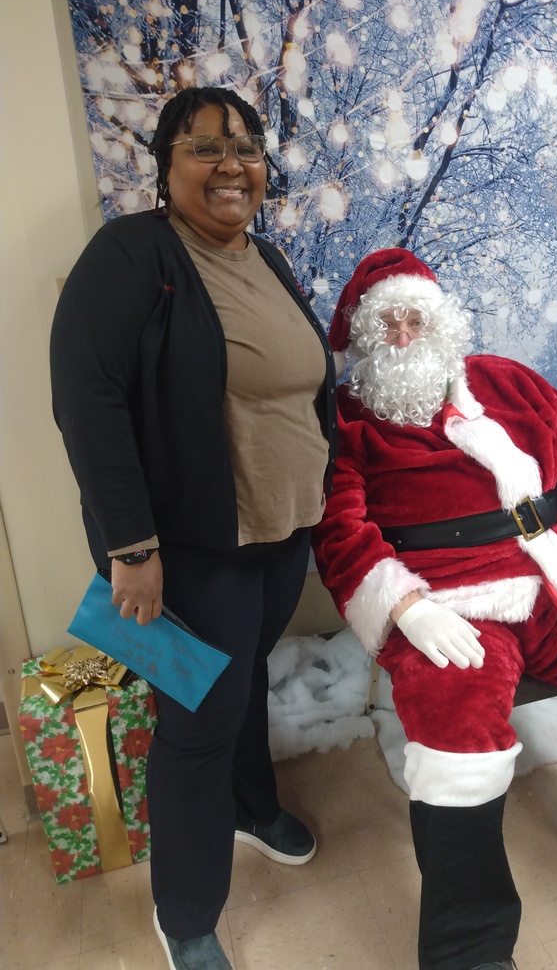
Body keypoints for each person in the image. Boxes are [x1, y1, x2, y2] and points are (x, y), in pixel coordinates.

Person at [311, 248, 557, 970]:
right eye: (386, 325)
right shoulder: (349, 421)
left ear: (440, 323)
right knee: (456, 732)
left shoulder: (509, 381)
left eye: (414, 320)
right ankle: (471, 945)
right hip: (445, 602)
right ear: (365, 339)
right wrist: (404, 608)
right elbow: (339, 530)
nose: (402, 335)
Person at [50, 86, 338, 970]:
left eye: (245, 146)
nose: (230, 164)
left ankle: (251, 807)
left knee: (243, 679)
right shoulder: (131, 255)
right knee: (198, 723)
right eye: (204, 146)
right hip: (192, 548)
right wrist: (131, 548)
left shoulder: (267, 256)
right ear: (165, 166)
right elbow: (89, 405)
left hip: (280, 532)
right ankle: (185, 913)